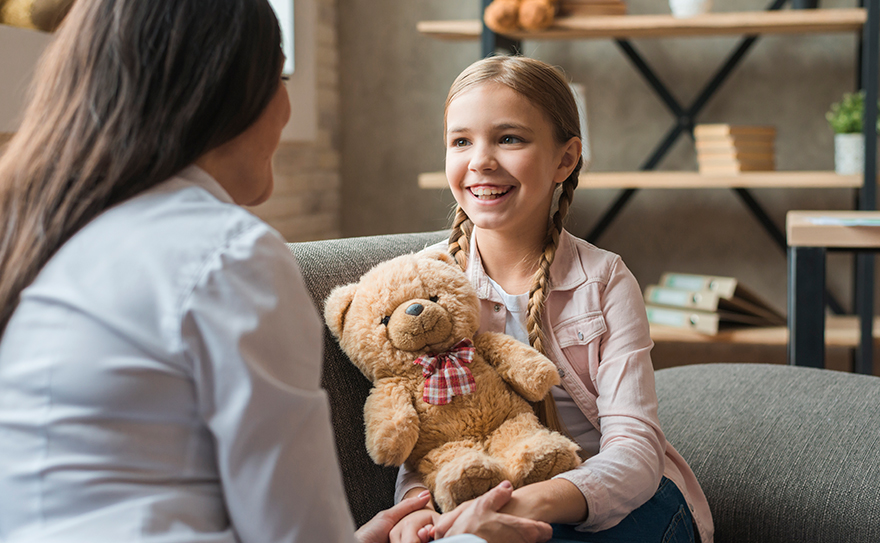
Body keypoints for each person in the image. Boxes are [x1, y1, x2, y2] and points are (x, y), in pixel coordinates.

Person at [0, 2, 552, 542]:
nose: (286, 107)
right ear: (230, 94)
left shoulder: (45, 238)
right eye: (278, 72)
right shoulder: (228, 256)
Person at [391, 56, 714, 543]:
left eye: (509, 138)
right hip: (485, 507)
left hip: (625, 503)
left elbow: (635, 452)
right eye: (461, 141)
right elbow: (426, 434)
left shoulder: (605, 280)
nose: (480, 159)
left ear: (565, 159)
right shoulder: (423, 285)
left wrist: (519, 507)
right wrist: (414, 509)